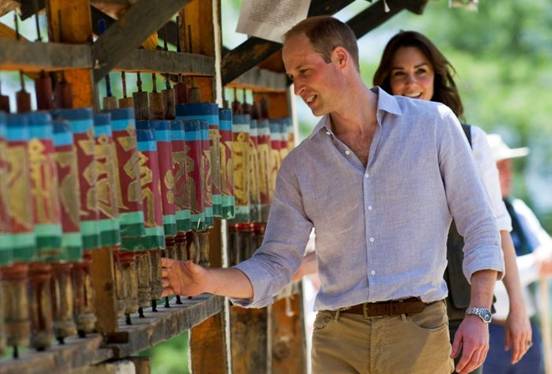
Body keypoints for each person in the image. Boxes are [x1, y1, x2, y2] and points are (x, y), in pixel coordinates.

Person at [161, 17, 504, 374]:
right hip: (336, 340)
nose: (297, 87)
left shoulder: (434, 124)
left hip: (416, 334)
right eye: (293, 76)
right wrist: (207, 280)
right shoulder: (301, 165)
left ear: (341, 58)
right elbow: (275, 263)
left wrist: (478, 313)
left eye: (304, 71)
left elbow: (479, 225)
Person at [370, 30, 533, 370]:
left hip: (460, 313)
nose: (411, 82)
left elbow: (497, 228)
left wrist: (517, 308)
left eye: (421, 71)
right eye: (400, 73)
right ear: (386, 81)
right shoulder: (374, 144)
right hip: (397, 313)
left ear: (436, 77)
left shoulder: (471, 141)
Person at [483, 133, 552, 373]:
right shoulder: (474, 216)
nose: (508, 173)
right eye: (501, 167)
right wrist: (535, 265)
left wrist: (542, 260)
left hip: (528, 330)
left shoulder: (518, 209)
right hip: (490, 332)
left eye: (508, 167)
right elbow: (490, 272)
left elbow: (546, 246)